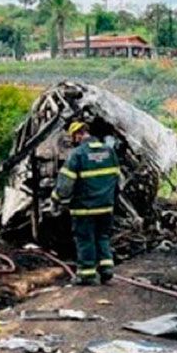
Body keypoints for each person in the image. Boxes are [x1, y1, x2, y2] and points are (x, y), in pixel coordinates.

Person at [53, 121, 119, 285]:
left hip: (84, 208)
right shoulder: (109, 151)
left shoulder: (78, 154)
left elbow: (66, 184)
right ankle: (106, 270)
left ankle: (87, 274)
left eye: (72, 137)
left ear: (78, 135)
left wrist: (56, 198)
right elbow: (117, 179)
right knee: (103, 237)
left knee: (85, 239)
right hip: (106, 206)